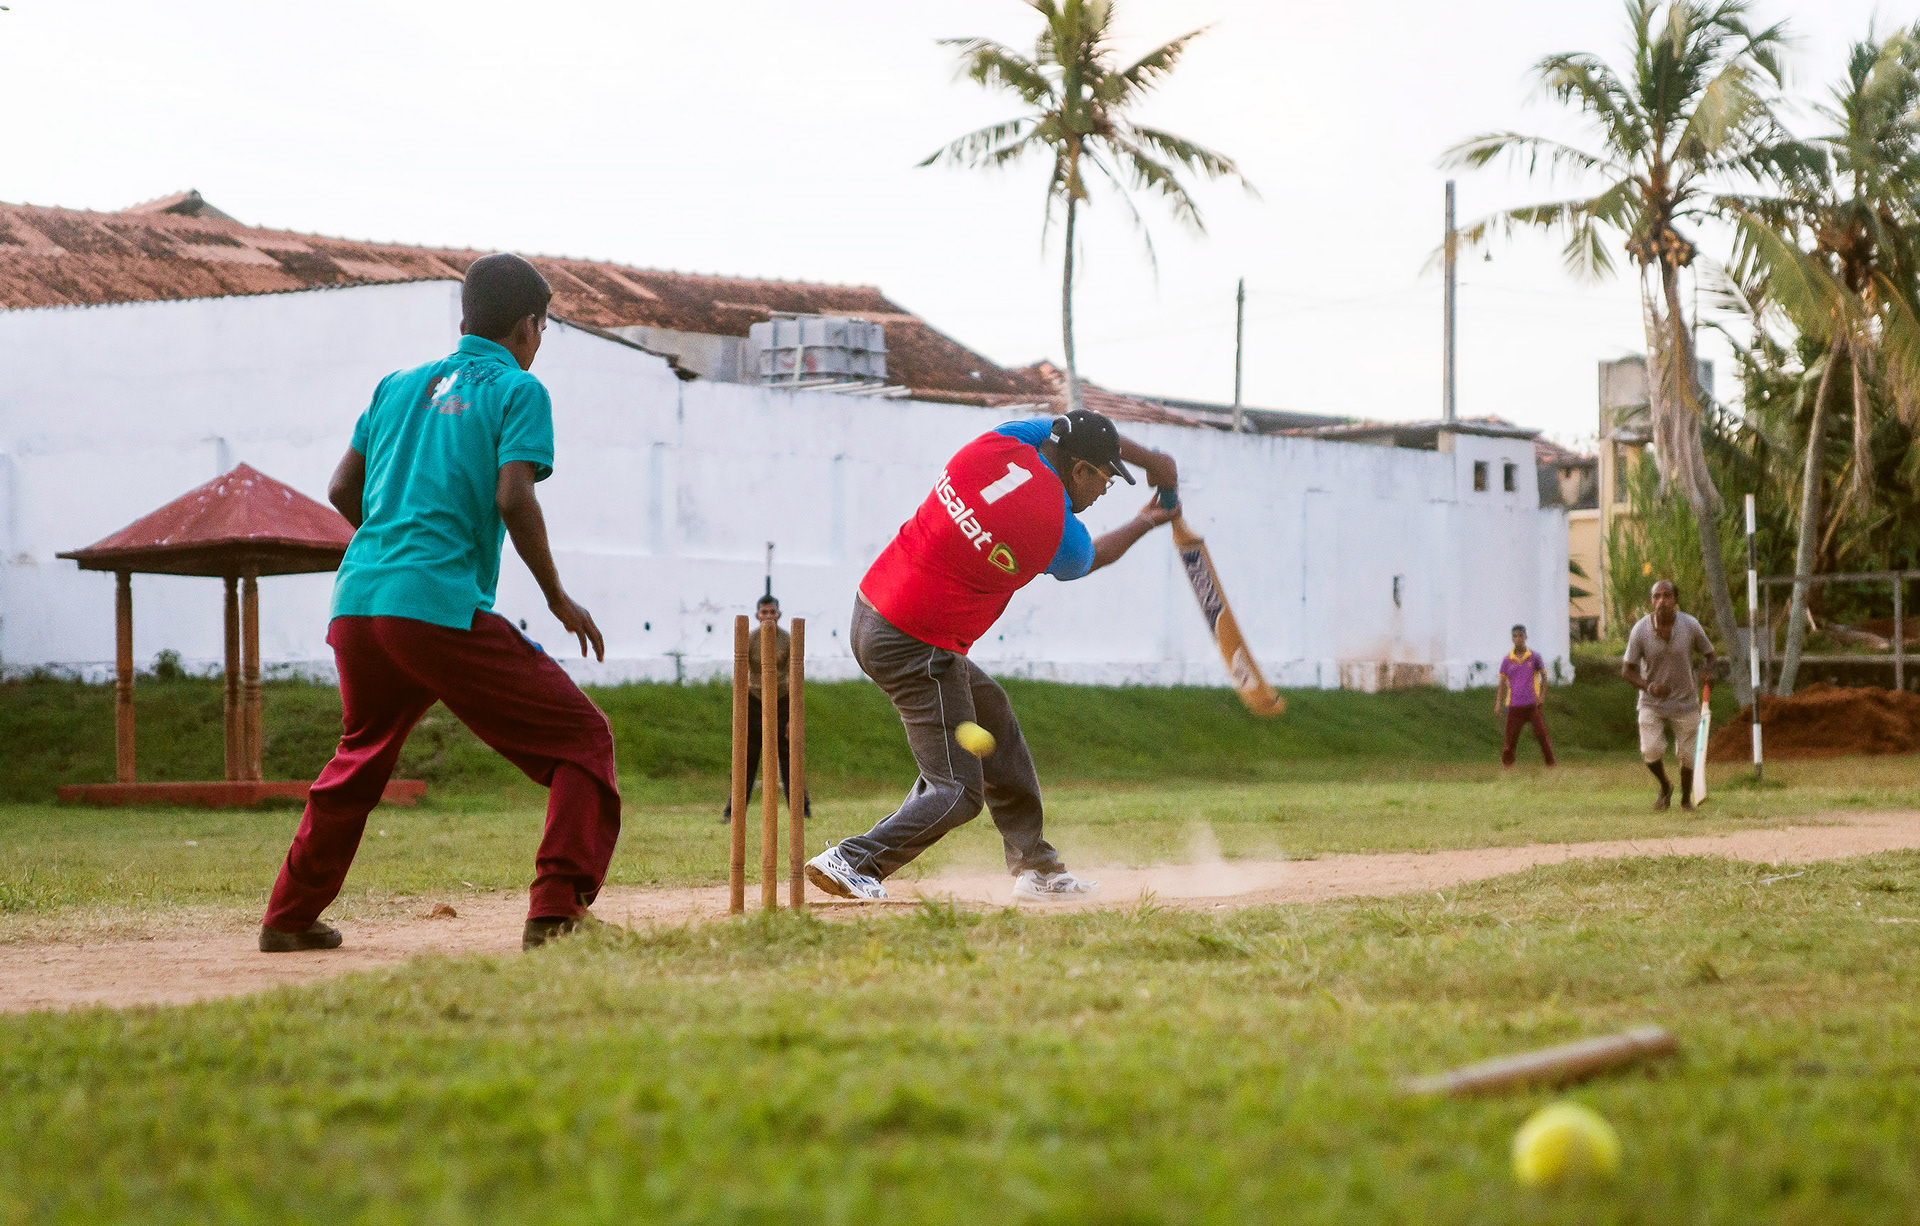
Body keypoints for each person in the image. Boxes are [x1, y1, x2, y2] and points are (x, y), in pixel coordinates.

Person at [260, 253, 621, 954]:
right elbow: (514, 496)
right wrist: (558, 597)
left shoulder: (395, 385)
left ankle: (289, 916)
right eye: (543, 330)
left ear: (465, 319)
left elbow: (340, 489)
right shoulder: (518, 389)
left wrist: (391, 550)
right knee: (582, 740)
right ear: (529, 326)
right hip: (435, 607)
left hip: (358, 601)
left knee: (359, 757)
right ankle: (556, 908)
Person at [805, 408, 1179, 902]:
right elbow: (1092, 557)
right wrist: (1148, 519)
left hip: (872, 608)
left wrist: (1151, 460)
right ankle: (854, 860)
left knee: (993, 716)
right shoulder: (1056, 530)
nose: (1103, 491)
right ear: (1080, 470)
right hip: (918, 645)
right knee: (957, 790)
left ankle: (1037, 868)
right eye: (1105, 480)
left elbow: (1062, 421)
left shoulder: (999, 442)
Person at [1622, 579, 1716, 810]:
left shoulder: (1690, 625)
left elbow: (1710, 654)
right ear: (1651, 601)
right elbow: (1627, 670)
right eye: (1657, 596)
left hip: (1685, 701)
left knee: (1687, 755)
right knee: (1650, 750)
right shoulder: (1640, 630)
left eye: (1667, 596)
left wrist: (1709, 671)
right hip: (1651, 702)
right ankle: (1665, 786)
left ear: (1675, 600)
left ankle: (1685, 800)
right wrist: (1648, 686)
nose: (1662, 601)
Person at [722, 594, 810, 822]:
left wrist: (792, 716)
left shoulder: (787, 640)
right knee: (745, 759)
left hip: (781, 700)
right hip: (755, 700)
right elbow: (741, 675)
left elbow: (794, 678)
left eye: (772, 612)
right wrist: (741, 712)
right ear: (757, 615)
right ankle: (733, 811)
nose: (769, 617)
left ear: (779, 614)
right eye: (764, 612)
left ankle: (802, 810)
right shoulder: (750, 639)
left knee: (790, 757)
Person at [1496, 623, 1555, 767]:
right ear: (1512, 639)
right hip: (1514, 705)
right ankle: (1507, 765)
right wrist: (1498, 703)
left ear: (1525, 637)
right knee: (1510, 739)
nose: (1518, 639)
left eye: (1521, 636)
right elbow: (1502, 683)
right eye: (1515, 636)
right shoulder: (1507, 660)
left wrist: (1541, 697)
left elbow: (1544, 677)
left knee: (1541, 735)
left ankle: (1550, 763)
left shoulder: (1534, 657)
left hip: (1532, 704)